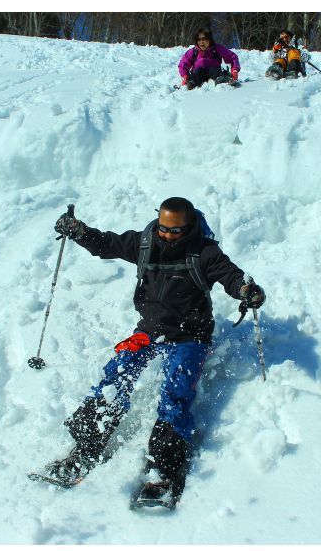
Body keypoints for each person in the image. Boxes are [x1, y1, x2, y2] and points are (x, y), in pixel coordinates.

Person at [43, 197, 266, 505]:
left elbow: (231, 276)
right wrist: (79, 231)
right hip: (150, 331)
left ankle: (164, 468)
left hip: (191, 336)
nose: (167, 235)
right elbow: (106, 243)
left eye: (175, 231)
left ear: (188, 228)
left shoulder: (204, 251)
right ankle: (85, 447)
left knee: (175, 392)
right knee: (114, 375)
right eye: (163, 228)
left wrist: (246, 290)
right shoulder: (144, 242)